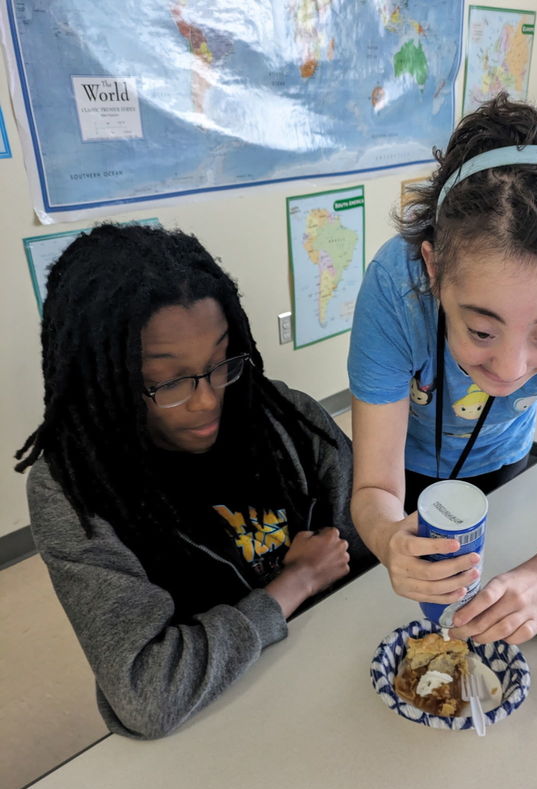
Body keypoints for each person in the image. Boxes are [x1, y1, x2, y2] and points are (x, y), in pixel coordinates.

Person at [15, 223, 371, 740]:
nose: (207, 401)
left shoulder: (285, 417)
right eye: (168, 382)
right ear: (103, 379)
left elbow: (367, 552)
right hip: (216, 726)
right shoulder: (74, 491)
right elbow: (149, 695)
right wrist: (294, 584)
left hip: (329, 679)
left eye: (220, 363)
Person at [347, 94, 537, 647]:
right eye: (481, 331)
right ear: (434, 270)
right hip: (404, 472)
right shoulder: (394, 288)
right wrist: (386, 538)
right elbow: (375, 485)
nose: (511, 369)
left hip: (503, 465)